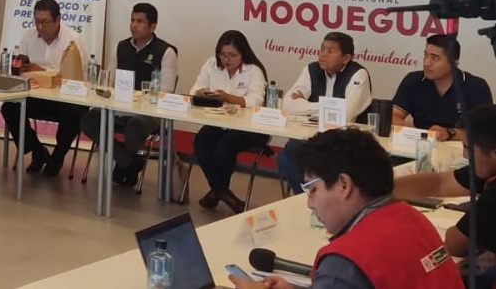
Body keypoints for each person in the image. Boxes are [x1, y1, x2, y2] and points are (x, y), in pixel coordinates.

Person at [231, 128, 464, 289]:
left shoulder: (345, 262)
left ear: (344, 185)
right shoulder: (412, 218)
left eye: (312, 189)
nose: (310, 203)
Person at [394, 103, 496, 289]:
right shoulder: (487, 167)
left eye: (468, 147)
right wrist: (381, 187)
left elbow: (455, 244)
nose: (465, 155)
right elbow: (439, 182)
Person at [81, 2, 178, 187]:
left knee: (134, 127)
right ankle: (129, 162)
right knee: (88, 120)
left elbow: (166, 92)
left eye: (140, 21)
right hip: (118, 107)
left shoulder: (166, 52)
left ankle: (123, 164)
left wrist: (139, 101)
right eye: (132, 20)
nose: (134, 25)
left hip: (148, 113)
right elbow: (109, 82)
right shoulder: (121, 47)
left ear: (152, 26)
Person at [1, 0, 89, 177]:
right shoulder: (28, 36)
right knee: (9, 107)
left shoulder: (73, 40)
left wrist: (43, 71)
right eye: (37, 21)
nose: (40, 27)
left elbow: (80, 78)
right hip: (36, 96)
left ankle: (57, 157)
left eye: (45, 22)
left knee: (75, 113)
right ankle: (38, 150)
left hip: (64, 99)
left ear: (58, 20)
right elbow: (20, 67)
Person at [277, 32, 372, 194]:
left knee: (303, 157)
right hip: (312, 136)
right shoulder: (311, 69)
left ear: (346, 58)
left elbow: (345, 114)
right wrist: (327, 106)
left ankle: (314, 200)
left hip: (345, 141)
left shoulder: (358, 75)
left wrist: (306, 104)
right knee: (287, 156)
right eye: (322, 49)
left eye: (330, 51)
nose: (323, 54)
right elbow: (288, 105)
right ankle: (308, 199)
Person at [191, 30, 267, 214]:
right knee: (201, 141)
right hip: (218, 120)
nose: (226, 59)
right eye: (223, 54)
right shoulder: (211, 64)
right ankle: (224, 193)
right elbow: (195, 88)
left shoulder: (254, 70)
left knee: (224, 146)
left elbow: (257, 101)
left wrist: (229, 98)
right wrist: (201, 92)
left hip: (247, 126)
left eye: (232, 55)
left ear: (243, 54)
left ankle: (217, 192)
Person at [392, 34, 492, 142]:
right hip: (421, 144)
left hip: (459, 148)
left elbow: (484, 130)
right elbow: (394, 115)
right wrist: (408, 128)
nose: (426, 63)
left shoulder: (476, 86)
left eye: (434, 58)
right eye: (426, 55)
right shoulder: (413, 80)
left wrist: (449, 133)